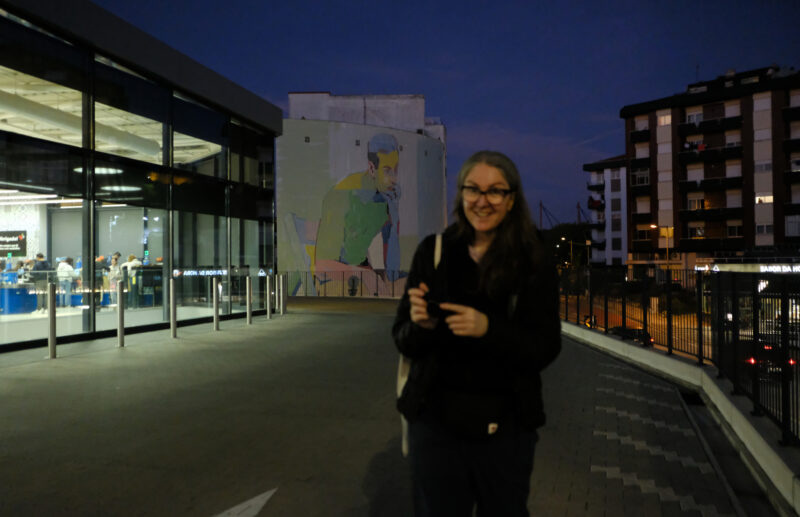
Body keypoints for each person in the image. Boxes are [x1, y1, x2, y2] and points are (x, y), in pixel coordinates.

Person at [392, 151, 561, 516]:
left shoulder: (533, 259)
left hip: (506, 432)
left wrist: (488, 329)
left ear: (512, 199)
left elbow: (546, 346)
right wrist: (421, 326)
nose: (482, 201)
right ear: (461, 194)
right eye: (473, 189)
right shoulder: (434, 251)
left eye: (495, 191)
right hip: (435, 427)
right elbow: (401, 338)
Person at [314, 133, 402, 293]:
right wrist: (364, 274)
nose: (394, 179)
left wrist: (394, 220)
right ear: (372, 169)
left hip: (360, 274)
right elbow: (321, 267)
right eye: (387, 171)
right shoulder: (341, 195)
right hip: (331, 282)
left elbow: (392, 271)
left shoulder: (385, 200)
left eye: (396, 170)